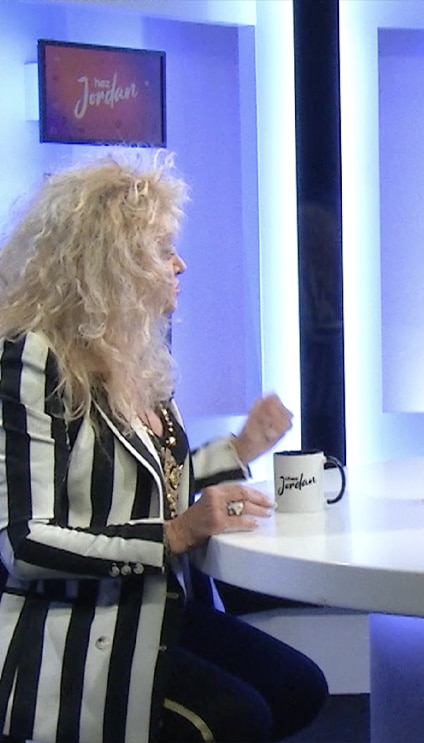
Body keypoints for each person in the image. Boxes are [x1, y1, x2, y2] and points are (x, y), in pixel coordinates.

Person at [0, 153, 328, 742]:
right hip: (78, 631)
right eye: (161, 250)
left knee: (299, 687)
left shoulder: (136, 357)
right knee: (240, 718)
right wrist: (175, 535)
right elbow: (23, 542)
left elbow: (141, 483)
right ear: (109, 264)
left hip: (153, 607)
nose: (180, 264)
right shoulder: (33, 357)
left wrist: (239, 449)